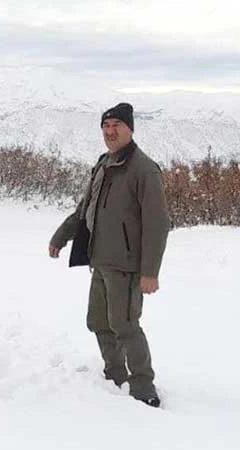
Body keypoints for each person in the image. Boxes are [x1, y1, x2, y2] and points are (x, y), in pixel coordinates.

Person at [49, 102, 169, 407]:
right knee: (98, 322)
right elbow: (85, 209)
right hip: (99, 261)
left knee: (126, 326)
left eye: (116, 125)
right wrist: (61, 236)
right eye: (106, 126)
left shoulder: (144, 170)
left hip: (127, 267)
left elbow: (158, 224)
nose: (110, 131)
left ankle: (143, 387)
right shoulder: (104, 163)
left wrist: (150, 272)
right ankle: (115, 374)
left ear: (130, 128)